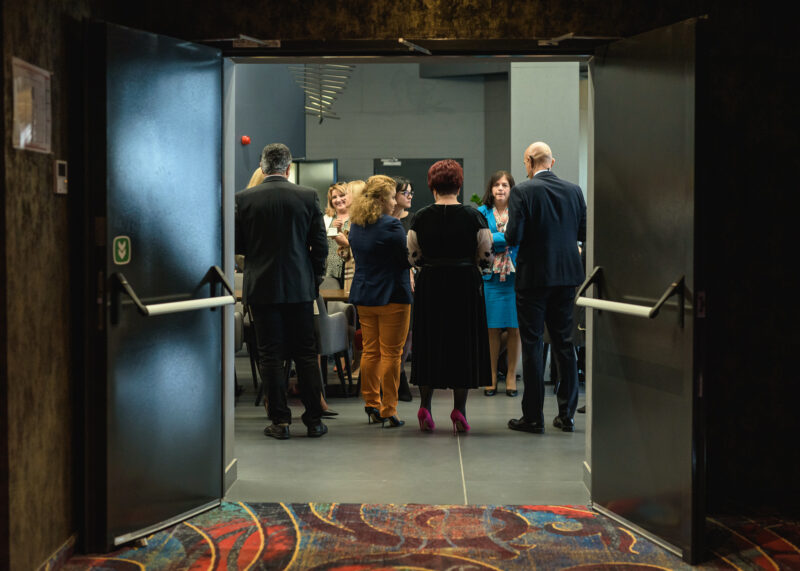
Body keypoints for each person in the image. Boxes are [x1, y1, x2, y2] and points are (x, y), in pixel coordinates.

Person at [235, 143, 329, 440]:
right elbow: (320, 244)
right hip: (299, 287)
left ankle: (280, 421)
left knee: (270, 356)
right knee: (306, 353)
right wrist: (314, 278)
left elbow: (237, 244)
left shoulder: (244, 199)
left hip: (261, 288)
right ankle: (314, 420)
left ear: (262, 167)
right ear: (288, 168)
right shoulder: (307, 196)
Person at [505, 142, 586, 434]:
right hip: (566, 277)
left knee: (533, 345)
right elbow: (583, 231)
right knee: (565, 344)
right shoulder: (574, 190)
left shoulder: (522, 191)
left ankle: (533, 417)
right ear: (553, 162)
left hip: (533, 278)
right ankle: (567, 415)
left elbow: (514, 236)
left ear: (529, 161)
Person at [407, 160, 493, 433]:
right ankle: (459, 410)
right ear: (459, 184)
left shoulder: (420, 217)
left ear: (432, 186)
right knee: (462, 343)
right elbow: (486, 256)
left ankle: (425, 406)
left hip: (431, 282)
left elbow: (413, 256)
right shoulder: (474, 217)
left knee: (429, 341)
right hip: (464, 283)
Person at [348, 175, 412, 428]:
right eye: (392, 197)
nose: (395, 201)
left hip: (364, 295)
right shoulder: (392, 225)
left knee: (370, 351)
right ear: (382, 199)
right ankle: (389, 409)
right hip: (393, 295)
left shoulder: (356, 224)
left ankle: (371, 403)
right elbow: (405, 259)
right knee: (392, 354)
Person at [478, 171, 521, 398]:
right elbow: (479, 239)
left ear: (511, 188)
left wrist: (493, 238)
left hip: (514, 277)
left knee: (515, 328)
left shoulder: (519, 210)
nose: (501, 189)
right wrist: (505, 237)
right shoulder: (481, 212)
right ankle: (492, 376)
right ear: (491, 189)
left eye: (505, 185)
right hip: (491, 277)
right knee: (492, 329)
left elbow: (520, 237)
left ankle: (511, 375)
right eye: (496, 185)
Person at [391, 176, 415, 402]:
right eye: (405, 192)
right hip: (389, 279)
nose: (409, 196)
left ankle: (399, 373)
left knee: (407, 333)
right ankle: (391, 377)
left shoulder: (412, 219)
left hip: (410, 280)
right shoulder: (383, 220)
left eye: (410, 192)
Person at [323, 183, 351, 287]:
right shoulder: (326, 219)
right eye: (334, 197)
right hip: (330, 272)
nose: (338, 200)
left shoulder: (356, 218)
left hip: (350, 270)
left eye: (342, 195)